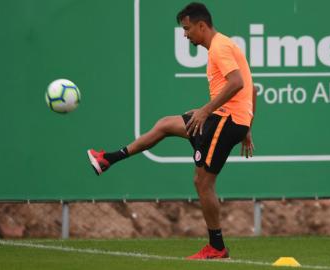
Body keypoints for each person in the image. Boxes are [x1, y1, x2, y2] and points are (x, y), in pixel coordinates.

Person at [87, 2, 256, 260]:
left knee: (203, 182)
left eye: (187, 29)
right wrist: (246, 129)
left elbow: (237, 83)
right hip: (228, 119)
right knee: (166, 124)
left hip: (224, 120)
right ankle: (108, 159)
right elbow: (251, 91)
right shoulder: (223, 45)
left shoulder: (220, 48)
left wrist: (207, 112)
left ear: (202, 25)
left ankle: (217, 247)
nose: (185, 34)